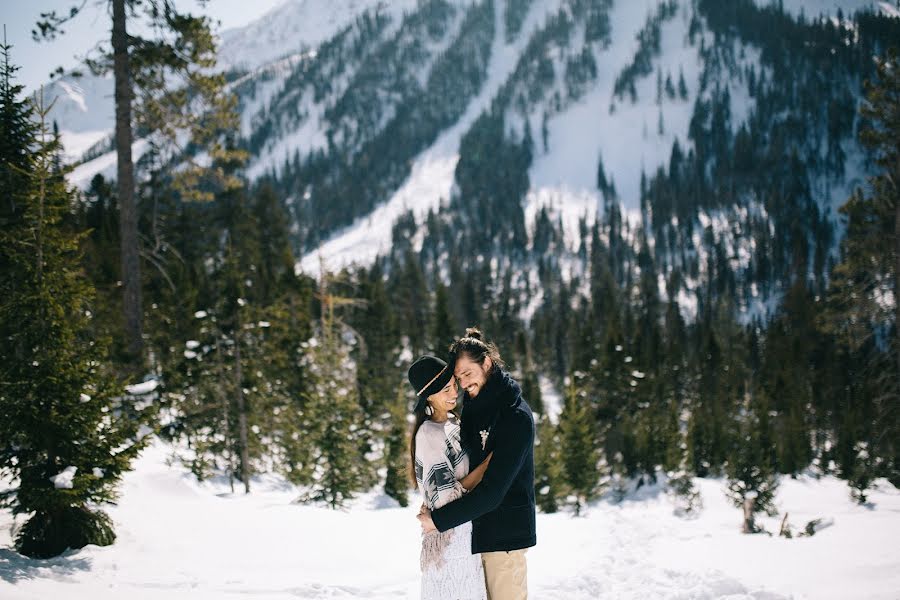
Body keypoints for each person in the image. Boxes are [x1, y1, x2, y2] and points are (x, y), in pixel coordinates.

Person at [417, 329, 536, 600]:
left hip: (505, 538)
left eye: (468, 373)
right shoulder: (475, 403)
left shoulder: (515, 417)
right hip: (476, 533)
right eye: (458, 378)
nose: (463, 383)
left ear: (487, 363)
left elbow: (493, 492)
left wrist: (438, 520)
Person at [408, 354, 494, 600]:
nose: (454, 392)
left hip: (465, 530)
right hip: (448, 539)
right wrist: (489, 465)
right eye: (445, 389)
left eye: (453, 385)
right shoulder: (429, 434)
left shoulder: (453, 421)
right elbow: (447, 496)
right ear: (429, 396)